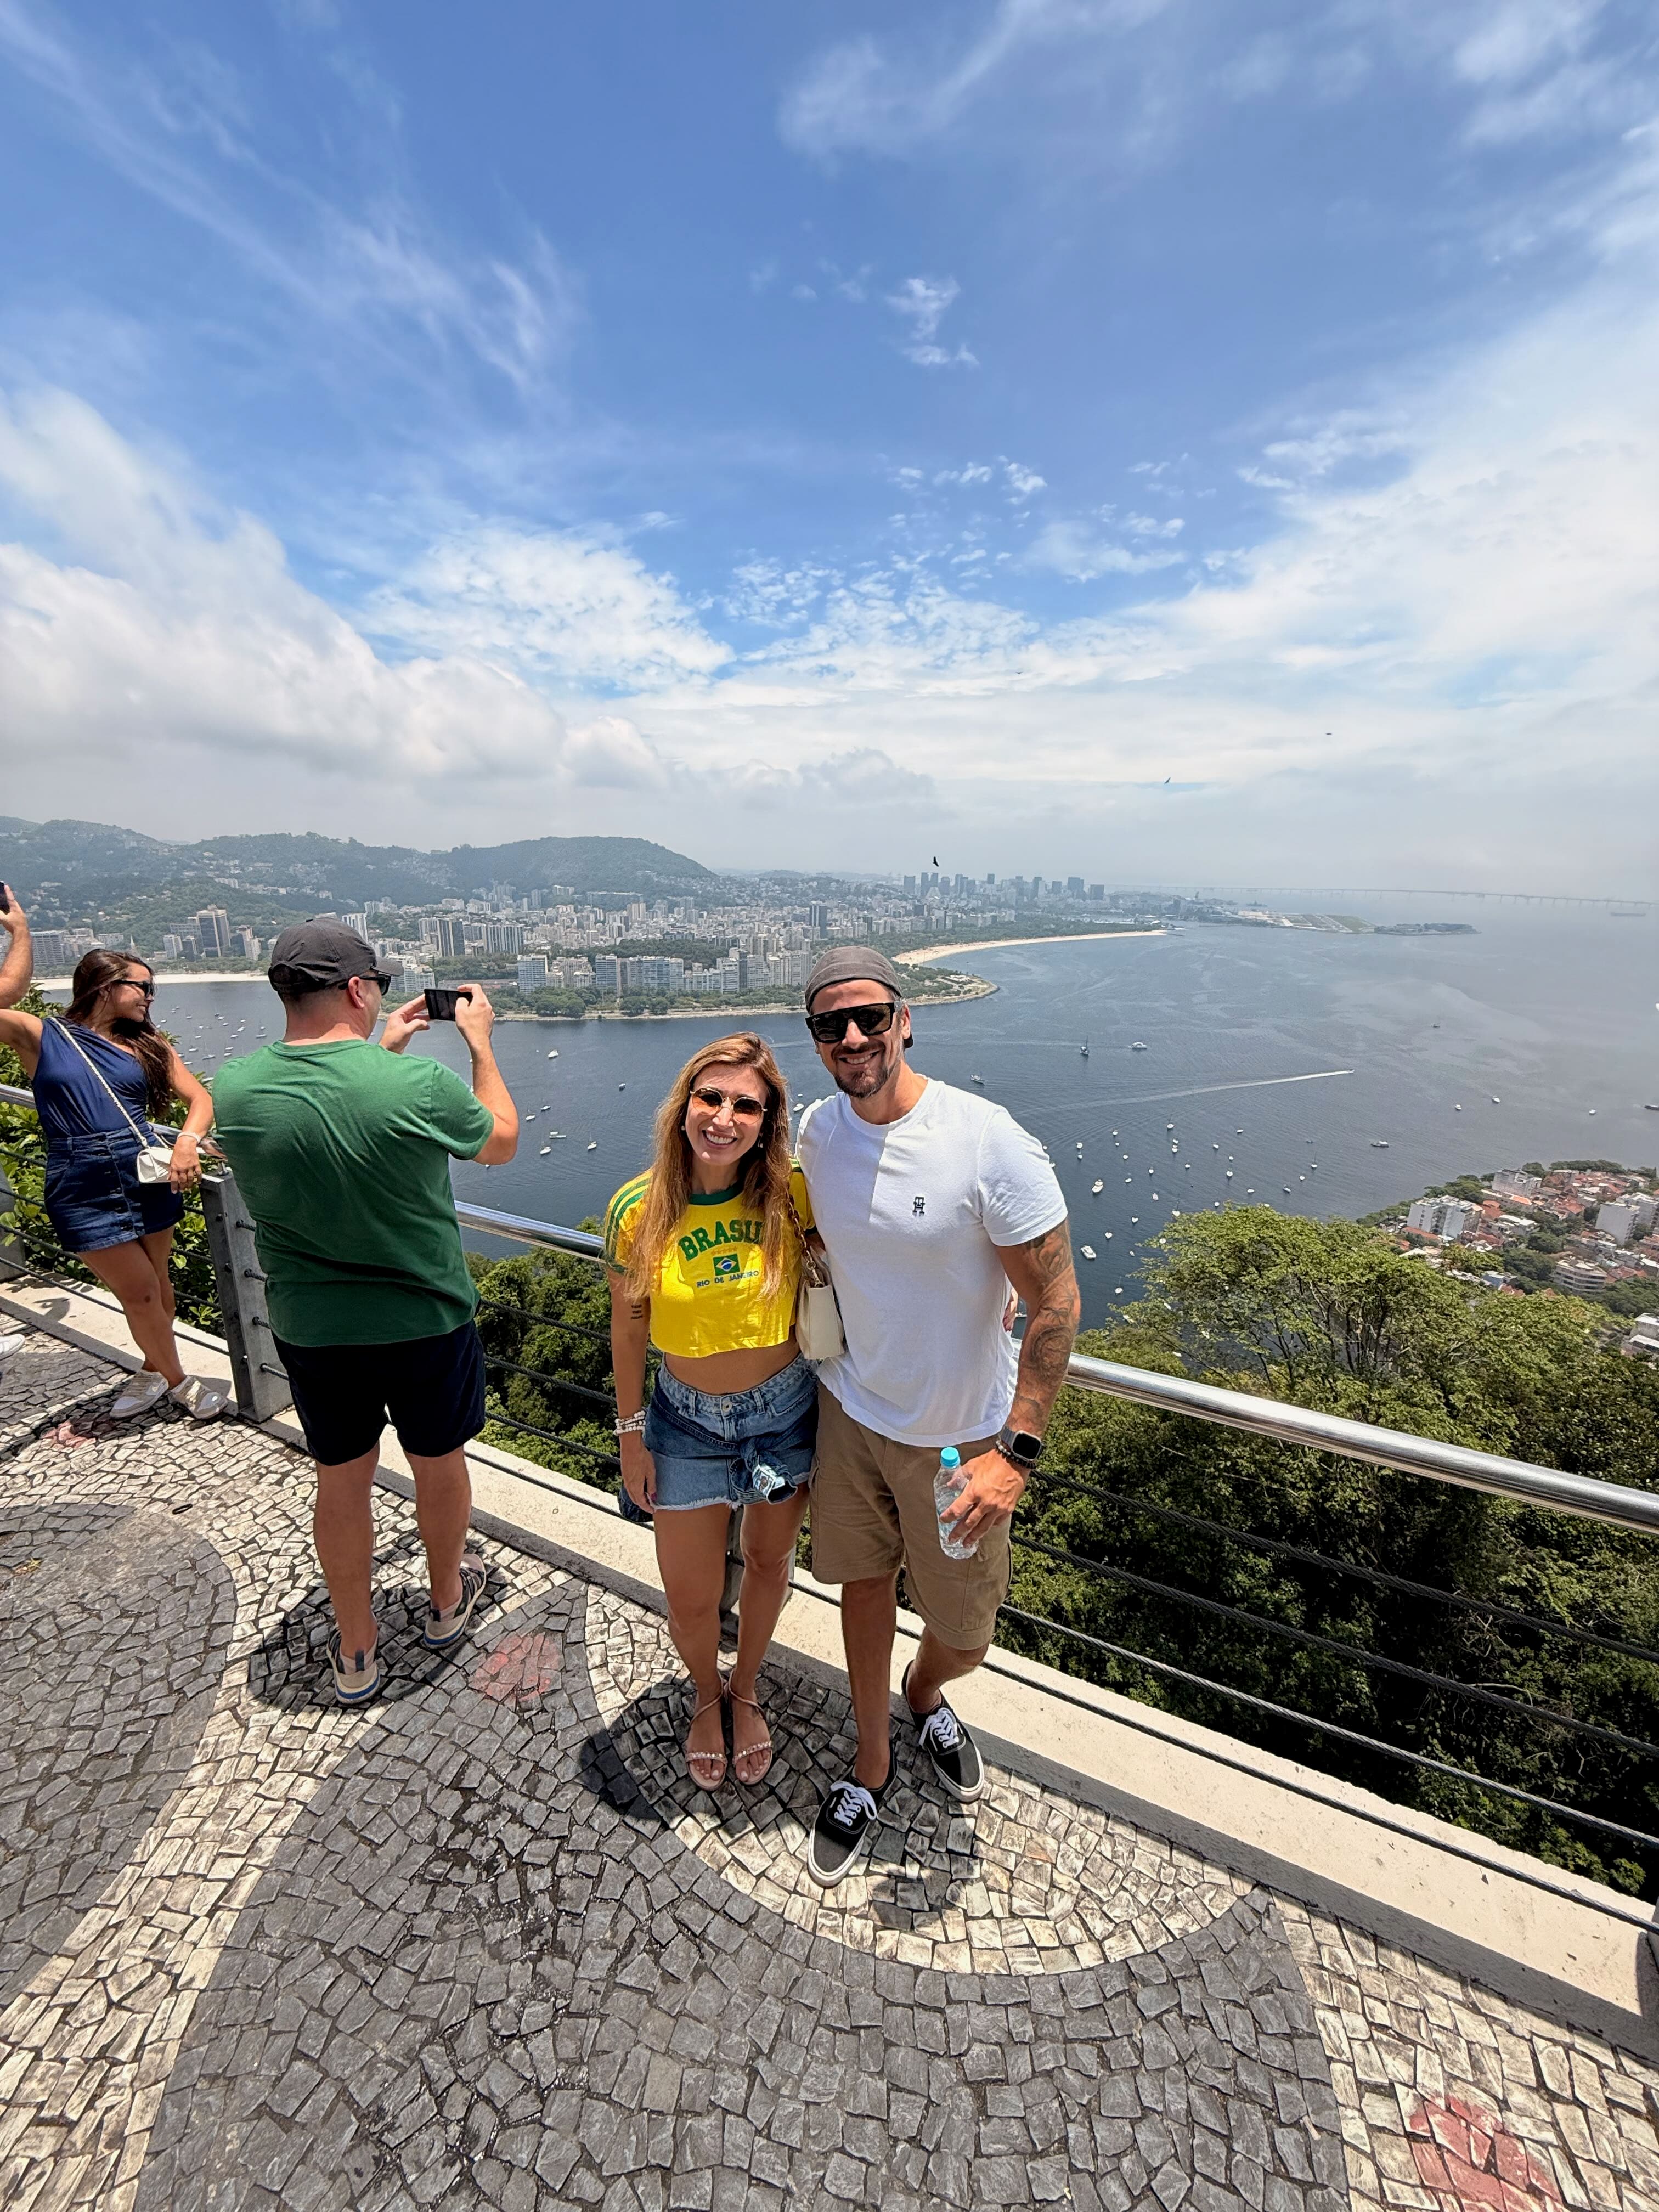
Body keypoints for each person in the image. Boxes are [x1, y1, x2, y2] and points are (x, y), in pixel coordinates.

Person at [794, 947, 1081, 1884]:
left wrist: (1016, 1453)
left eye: (869, 1017)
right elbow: (818, 1230)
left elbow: (1057, 1300)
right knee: (862, 1586)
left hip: (961, 1440)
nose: (852, 1037)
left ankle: (924, 1694)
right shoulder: (815, 1134)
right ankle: (870, 1760)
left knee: (964, 1632)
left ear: (905, 1020)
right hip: (850, 1412)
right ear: (815, 1040)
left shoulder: (984, 1139)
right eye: (830, 1024)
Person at [211, 923, 518, 1706]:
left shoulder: (235, 1088)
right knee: (438, 1464)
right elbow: (501, 1142)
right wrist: (480, 1045)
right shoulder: (416, 1087)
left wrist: (382, 1050)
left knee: (341, 1481)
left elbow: (326, 1121)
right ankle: (446, 1602)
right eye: (375, 983)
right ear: (357, 989)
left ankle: (355, 1648)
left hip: (313, 1328)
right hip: (425, 1320)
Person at [606, 1033, 817, 1790]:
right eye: (711, 1097)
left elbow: (884, 1243)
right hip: (684, 1423)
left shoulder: (792, 1194)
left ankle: (747, 1687)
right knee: (690, 1596)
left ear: (767, 1121)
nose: (724, 1118)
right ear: (684, 1104)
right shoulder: (638, 1207)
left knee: (768, 1564)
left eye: (746, 1106)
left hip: (786, 1414)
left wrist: (993, 1284)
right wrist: (631, 1437)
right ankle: (705, 1695)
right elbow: (628, 1327)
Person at [0, 913, 229, 1421]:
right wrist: (21, 933)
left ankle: (152, 1369)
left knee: (158, 1285)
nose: (150, 996)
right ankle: (180, 1383)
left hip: (144, 1171)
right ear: (105, 986)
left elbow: (201, 1099)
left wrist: (187, 1142)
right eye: (142, 986)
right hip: (79, 1179)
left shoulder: (147, 1044)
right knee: (140, 1292)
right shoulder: (42, 1036)